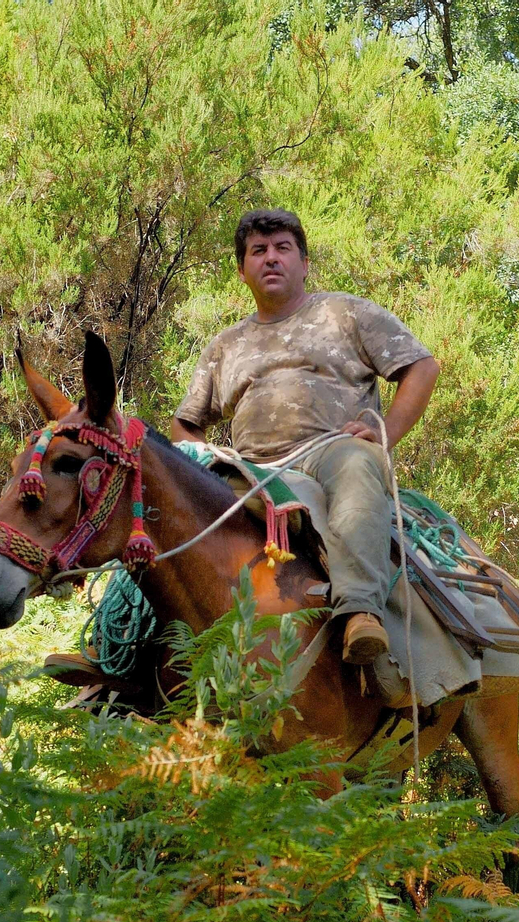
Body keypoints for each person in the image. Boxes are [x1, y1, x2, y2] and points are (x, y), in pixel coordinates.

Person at [172, 209, 440, 664]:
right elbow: (186, 423)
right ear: (242, 271)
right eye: (258, 251)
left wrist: (384, 435)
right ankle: (122, 645)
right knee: (165, 496)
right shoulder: (225, 345)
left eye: (283, 248)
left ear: (304, 263)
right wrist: (199, 455)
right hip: (251, 469)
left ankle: (360, 612)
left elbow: (422, 368)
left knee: (357, 462)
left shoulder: (346, 312)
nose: (271, 258)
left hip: (330, 451)